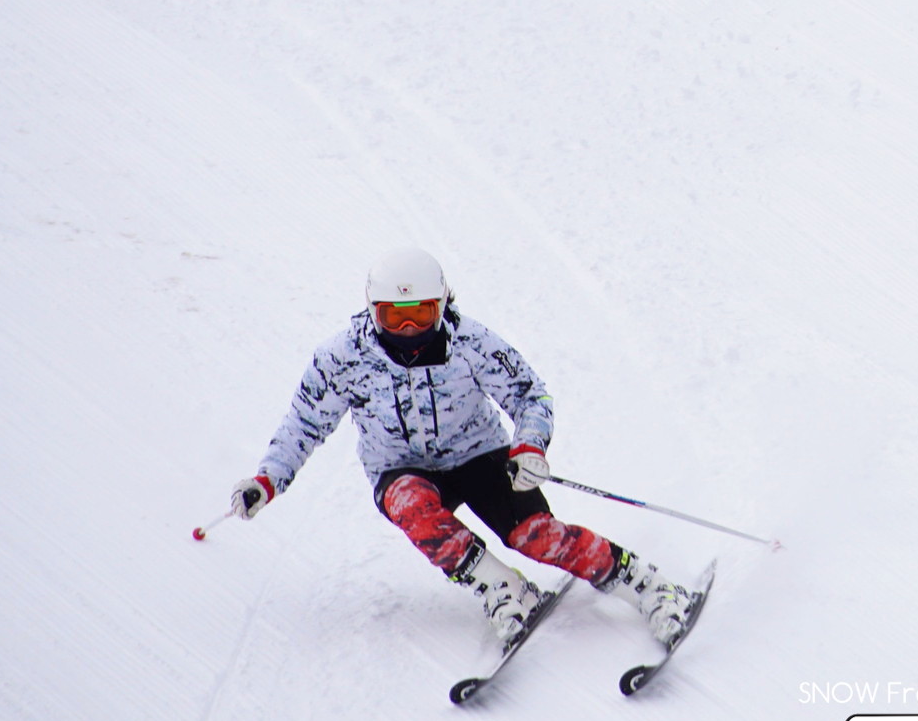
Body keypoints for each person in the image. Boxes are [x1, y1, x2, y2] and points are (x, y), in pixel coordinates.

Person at [230, 247, 697, 646]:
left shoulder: (470, 341)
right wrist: (268, 480)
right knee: (411, 505)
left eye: (422, 313)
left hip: (479, 455)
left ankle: (648, 585)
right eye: (395, 315)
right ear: (372, 311)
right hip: (402, 468)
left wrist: (529, 447)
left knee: (533, 535)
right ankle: (503, 588)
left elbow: (530, 393)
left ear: (443, 304)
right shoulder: (342, 358)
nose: (410, 326)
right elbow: (304, 423)